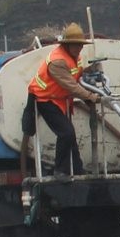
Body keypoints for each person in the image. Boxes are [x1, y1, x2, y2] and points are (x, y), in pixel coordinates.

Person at [22, 22, 102, 178]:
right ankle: (59, 171)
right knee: (66, 133)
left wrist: (90, 70)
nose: (80, 48)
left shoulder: (74, 56)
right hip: (44, 99)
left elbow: (76, 75)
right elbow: (71, 85)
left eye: (81, 45)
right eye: (76, 45)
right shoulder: (57, 61)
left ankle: (77, 169)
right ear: (67, 45)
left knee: (70, 136)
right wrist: (92, 97)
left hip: (58, 99)